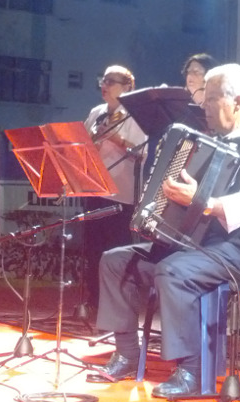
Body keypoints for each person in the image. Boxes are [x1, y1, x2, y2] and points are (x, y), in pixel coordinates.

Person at [86, 63, 240, 398]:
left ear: (236, 102)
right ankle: (126, 353)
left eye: (209, 100)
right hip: (197, 244)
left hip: (239, 249)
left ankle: (192, 372)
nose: (202, 107)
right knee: (114, 261)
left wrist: (201, 200)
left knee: (173, 271)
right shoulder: (212, 140)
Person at [81, 65, 147, 308]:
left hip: (120, 194)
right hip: (93, 188)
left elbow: (142, 152)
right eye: (103, 80)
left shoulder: (135, 114)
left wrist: (116, 139)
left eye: (111, 81)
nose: (104, 86)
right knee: (92, 250)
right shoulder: (97, 112)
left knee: (114, 251)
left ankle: (114, 306)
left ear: (128, 87)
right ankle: (93, 301)